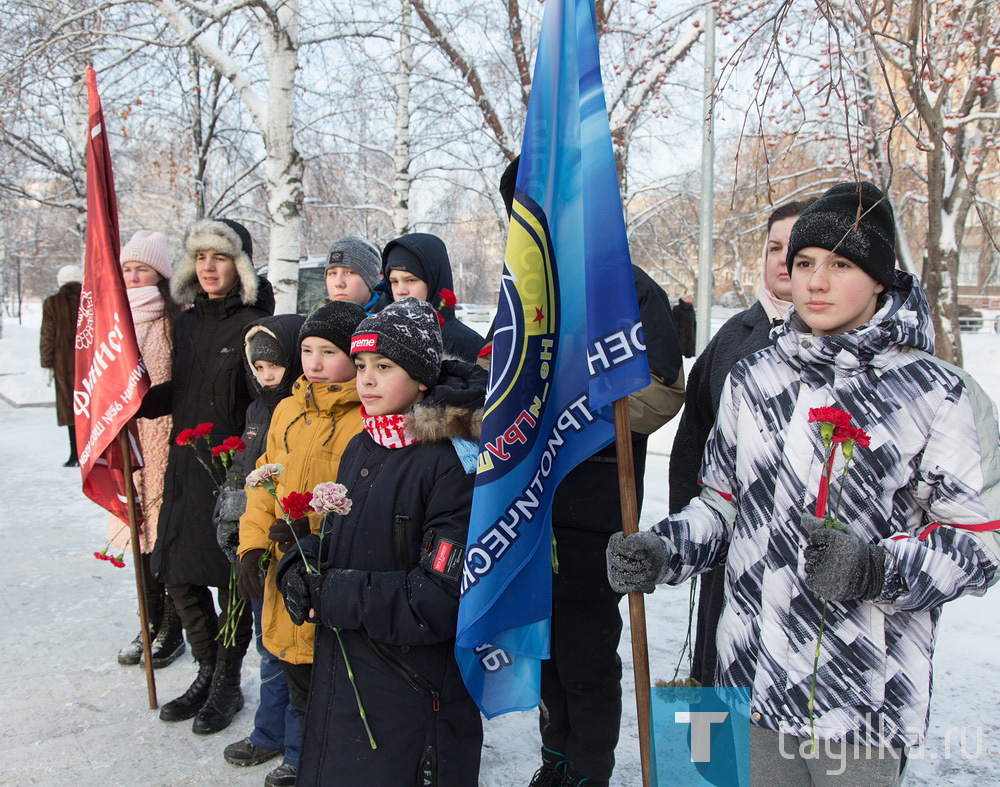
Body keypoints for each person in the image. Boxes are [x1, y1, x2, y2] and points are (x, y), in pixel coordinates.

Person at [608, 182, 1000, 783]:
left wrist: (876, 569)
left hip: (863, 701)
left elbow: (978, 542)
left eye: (840, 264)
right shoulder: (754, 378)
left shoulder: (935, 395)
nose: (815, 281)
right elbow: (722, 504)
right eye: (805, 263)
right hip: (754, 683)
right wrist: (666, 549)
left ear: (879, 277)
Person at [494, 153, 687, 787]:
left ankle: (587, 771)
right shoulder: (518, 294)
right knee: (545, 654)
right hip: (527, 510)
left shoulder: (625, 285)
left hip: (595, 509)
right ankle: (554, 761)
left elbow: (660, 392)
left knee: (586, 659)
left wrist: (567, 412)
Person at [276, 298, 486, 785]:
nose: (365, 379)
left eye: (384, 366)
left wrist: (332, 594)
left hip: (412, 691)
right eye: (362, 364)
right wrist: (299, 566)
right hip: (347, 676)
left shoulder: (452, 462)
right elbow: (339, 538)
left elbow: (438, 598)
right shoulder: (363, 443)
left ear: (421, 378)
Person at [138, 217, 275, 735]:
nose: (209, 267)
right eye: (200, 258)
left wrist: (248, 469)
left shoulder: (254, 323)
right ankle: (205, 668)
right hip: (185, 464)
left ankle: (226, 684)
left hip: (231, 468)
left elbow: (261, 400)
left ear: (238, 264)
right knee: (176, 572)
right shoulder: (188, 321)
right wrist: (141, 401)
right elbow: (183, 385)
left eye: (219, 257)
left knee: (231, 582)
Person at [668, 200, 812, 687]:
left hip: (813, 575)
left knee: (791, 731)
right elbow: (694, 439)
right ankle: (714, 765)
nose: (783, 259)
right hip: (731, 557)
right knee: (717, 693)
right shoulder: (733, 339)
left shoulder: (857, 349)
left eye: (797, 249)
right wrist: (688, 541)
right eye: (774, 247)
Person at [234, 301, 366, 787]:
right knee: (294, 677)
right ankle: (304, 756)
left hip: (325, 570)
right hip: (280, 568)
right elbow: (261, 481)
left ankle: (321, 762)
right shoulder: (288, 407)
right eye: (307, 350)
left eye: (328, 352)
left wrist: (313, 536)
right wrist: (250, 547)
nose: (312, 362)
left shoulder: (365, 414)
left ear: (356, 355)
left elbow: (361, 497)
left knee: (334, 686)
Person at [216, 311, 305, 781]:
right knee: (267, 645)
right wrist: (233, 527)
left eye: (273, 365)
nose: (266, 375)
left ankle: (297, 744)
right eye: (258, 368)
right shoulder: (257, 409)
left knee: (293, 651)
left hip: (293, 542)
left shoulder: (297, 409)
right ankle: (269, 732)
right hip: (257, 545)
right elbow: (246, 473)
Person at [111, 230, 186, 670]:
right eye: (127, 269)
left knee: (164, 534)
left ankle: (173, 625)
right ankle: (149, 618)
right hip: (126, 441)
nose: (134, 276)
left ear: (159, 275)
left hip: (164, 440)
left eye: (142, 269)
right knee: (136, 533)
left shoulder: (173, 319)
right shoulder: (111, 322)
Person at [381, 232, 485, 361]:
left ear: (434, 283)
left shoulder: (467, 343)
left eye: (411, 280)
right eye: (394, 282)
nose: (400, 291)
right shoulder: (384, 335)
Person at [40, 264, 83, 467]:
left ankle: (74, 454)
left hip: (63, 365)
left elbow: (47, 335)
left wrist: (46, 365)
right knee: (89, 408)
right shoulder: (89, 300)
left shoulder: (52, 303)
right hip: (89, 363)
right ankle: (89, 452)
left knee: (69, 409)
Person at [323, 236, 383, 314]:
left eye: (350, 272)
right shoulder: (312, 321)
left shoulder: (393, 321)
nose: (338, 283)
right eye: (333, 273)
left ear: (371, 279)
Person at [673, 292, 696, 358]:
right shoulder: (677, 309)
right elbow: (674, 323)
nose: (690, 299)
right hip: (680, 338)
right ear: (684, 298)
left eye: (691, 298)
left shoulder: (691, 309)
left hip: (690, 338)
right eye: (689, 297)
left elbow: (693, 323)